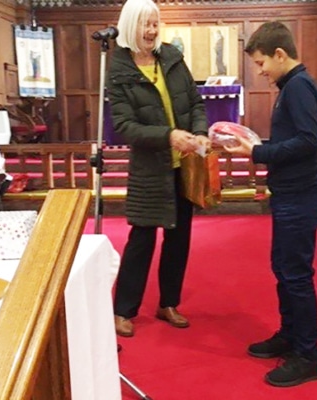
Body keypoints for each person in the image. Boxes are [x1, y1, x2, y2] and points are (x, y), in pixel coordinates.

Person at [224, 21, 317, 388]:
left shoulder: (298, 86)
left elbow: (308, 142)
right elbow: (295, 139)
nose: (261, 71)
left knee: (296, 275)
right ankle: (289, 335)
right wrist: (256, 145)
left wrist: (258, 151)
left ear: (281, 54)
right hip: (291, 194)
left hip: (300, 196)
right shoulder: (292, 85)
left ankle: (308, 355)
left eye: (263, 63)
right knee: (284, 270)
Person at [107, 0, 210, 338]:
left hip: (184, 166)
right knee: (142, 239)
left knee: (179, 238)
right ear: (129, 25)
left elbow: (195, 102)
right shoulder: (119, 68)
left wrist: (198, 132)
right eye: (144, 24)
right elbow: (125, 125)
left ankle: (168, 303)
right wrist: (168, 136)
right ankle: (123, 309)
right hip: (150, 169)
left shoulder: (172, 57)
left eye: (155, 23)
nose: (151, 31)